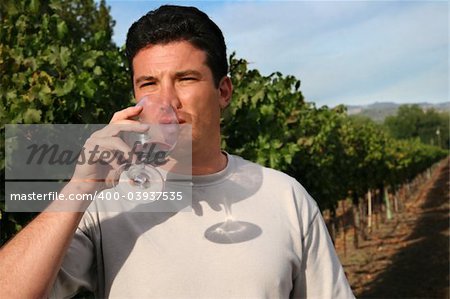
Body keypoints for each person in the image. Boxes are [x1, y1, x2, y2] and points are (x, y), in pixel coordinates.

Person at [0, 5, 355, 298]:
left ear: (224, 92)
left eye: (186, 79)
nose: (167, 101)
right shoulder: (103, 206)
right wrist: (79, 188)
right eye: (149, 84)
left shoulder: (285, 197)